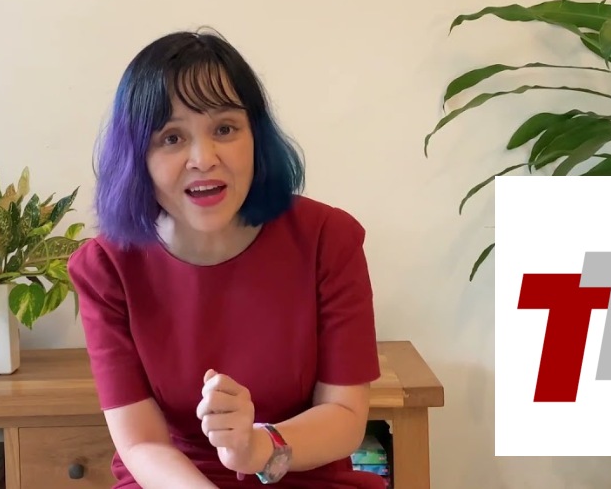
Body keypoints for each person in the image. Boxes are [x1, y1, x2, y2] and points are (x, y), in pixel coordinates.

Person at [67, 28, 384, 488]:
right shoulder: (105, 268)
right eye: (171, 137)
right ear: (138, 156)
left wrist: (258, 448)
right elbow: (141, 444)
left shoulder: (328, 239)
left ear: (257, 135)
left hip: (302, 472)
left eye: (224, 129)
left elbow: (345, 415)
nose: (204, 158)